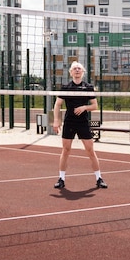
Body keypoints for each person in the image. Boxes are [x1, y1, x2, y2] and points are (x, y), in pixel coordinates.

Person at [52, 61, 107, 189]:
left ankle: (99, 178)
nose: (77, 70)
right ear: (71, 72)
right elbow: (57, 104)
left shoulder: (88, 87)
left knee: (90, 150)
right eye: (74, 69)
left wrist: (84, 107)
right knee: (66, 150)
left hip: (82, 122)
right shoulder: (65, 87)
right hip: (69, 122)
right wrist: (56, 120)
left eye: (79, 68)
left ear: (83, 72)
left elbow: (95, 106)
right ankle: (61, 178)